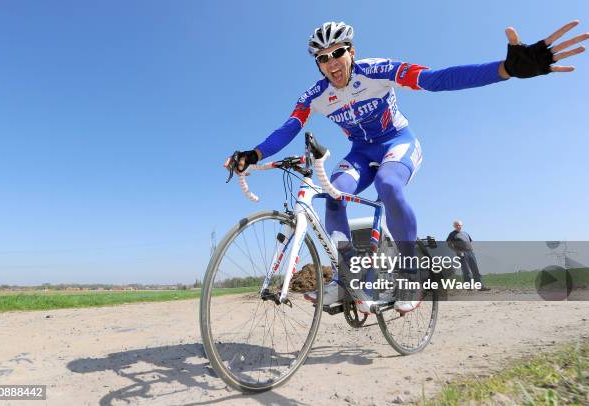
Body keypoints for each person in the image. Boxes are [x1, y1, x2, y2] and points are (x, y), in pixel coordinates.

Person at [224, 21, 587, 313]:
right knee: (332, 196)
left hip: (398, 143)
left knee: (389, 185)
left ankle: (411, 273)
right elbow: (289, 127)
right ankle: (347, 279)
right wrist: (253, 154)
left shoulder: (377, 70)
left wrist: (504, 69)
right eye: (323, 58)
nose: (332, 62)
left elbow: (436, 79)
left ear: (351, 52)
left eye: (337, 53)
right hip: (361, 152)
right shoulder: (316, 95)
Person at [446, 220, 489, 290]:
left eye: (459, 225)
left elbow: (469, 242)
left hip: (470, 253)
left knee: (475, 270)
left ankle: (480, 286)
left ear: (462, 225)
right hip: (462, 253)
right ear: (454, 226)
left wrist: (472, 250)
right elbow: (449, 244)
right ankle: (468, 287)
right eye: (456, 225)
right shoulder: (452, 234)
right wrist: (458, 251)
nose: (458, 226)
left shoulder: (465, 233)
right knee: (466, 271)